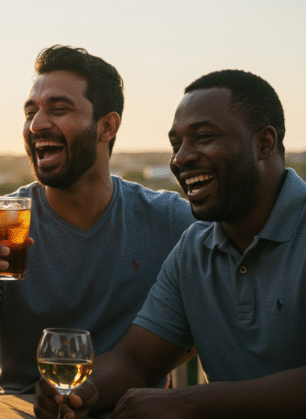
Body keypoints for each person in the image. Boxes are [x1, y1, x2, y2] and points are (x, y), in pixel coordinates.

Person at [34, 69, 306, 418]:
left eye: (203, 137)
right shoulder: (195, 248)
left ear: (264, 143)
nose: (180, 158)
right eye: (176, 145)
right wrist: (83, 391)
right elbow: (135, 360)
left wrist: (192, 403)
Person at [0, 45, 195, 395]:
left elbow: (227, 303)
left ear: (107, 127)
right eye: (30, 113)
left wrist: (156, 362)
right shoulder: (8, 221)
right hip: (24, 410)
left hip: (130, 410)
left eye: (58, 110)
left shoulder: (167, 219)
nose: (36, 125)